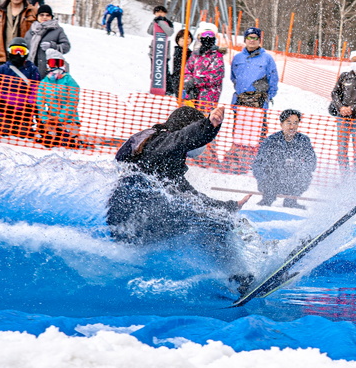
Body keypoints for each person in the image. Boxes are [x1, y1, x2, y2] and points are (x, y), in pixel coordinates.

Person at [107, 105, 251, 262]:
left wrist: (229, 206)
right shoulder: (160, 144)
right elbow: (182, 138)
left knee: (217, 216)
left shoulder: (161, 150)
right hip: (136, 224)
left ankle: (249, 255)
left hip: (130, 224)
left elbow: (188, 195)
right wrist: (208, 125)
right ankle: (237, 274)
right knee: (215, 223)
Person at [252, 109, 318, 208]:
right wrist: (263, 178)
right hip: (273, 177)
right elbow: (258, 163)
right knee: (267, 172)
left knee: (305, 176)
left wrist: (300, 169)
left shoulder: (303, 140)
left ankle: (291, 201)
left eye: (295, 123)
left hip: (293, 178)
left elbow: (311, 161)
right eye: (289, 123)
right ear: (281, 124)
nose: (292, 127)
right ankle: (267, 198)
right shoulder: (271, 140)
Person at [0, 37, 41, 138]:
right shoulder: (3, 69)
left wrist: (30, 104)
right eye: (14, 50)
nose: (17, 54)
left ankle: (24, 125)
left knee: (22, 133)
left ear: (26, 53)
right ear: (9, 52)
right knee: (4, 130)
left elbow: (36, 88)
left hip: (23, 109)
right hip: (4, 107)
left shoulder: (32, 69)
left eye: (21, 51)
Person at [38, 49, 85, 148]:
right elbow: (40, 102)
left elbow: (73, 101)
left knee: (66, 141)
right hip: (51, 119)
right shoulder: (44, 82)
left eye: (58, 63)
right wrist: (45, 118)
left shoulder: (69, 81)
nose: (55, 66)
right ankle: (50, 133)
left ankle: (72, 136)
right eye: (52, 63)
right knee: (49, 141)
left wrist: (60, 119)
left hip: (69, 119)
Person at [231, 27, 279, 109]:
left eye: (255, 38)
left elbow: (273, 79)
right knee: (239, 122)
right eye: (249, 37)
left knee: (258, 122)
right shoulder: (237, 58)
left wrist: (267, 96)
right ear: (245, 39)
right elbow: (233, 77)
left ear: (259, 40)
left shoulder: (267, 58)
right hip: (240, 100)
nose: (252, 40)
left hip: (259, 102)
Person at [183, 26, 226, 105]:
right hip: (192, 94)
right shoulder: (195, 54)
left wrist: (195, 82)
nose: (207, 39)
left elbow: (215, 75)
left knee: (205, 116)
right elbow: (187, 70)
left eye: (210, 36)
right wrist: (189, 83)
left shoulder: (217, 55)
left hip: (209, 96)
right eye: (205, 36)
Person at [24, 4, 71, 73]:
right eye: (42, 15)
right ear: (37, 17)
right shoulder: (31, 31)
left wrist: (52, 46)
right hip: (31, 71)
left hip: (50, 70)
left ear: (51, 17)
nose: (44, 17)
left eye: (47, 15)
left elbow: (66, 47)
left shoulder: (58, 30)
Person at [171, 28, 192, 97]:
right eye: (183, 38)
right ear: (178, 40)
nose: (186, 40)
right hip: (180, 81)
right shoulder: (179, 52)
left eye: (188, 38)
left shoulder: (189, 52)